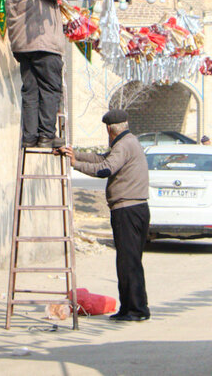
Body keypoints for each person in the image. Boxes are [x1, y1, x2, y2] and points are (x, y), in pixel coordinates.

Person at [58, 110, 151, 321]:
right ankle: (131, 308)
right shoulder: (128, 142)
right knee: (130, 261)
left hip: (128, 211)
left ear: (109, 129)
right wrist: (75, 154)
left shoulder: (124, 145)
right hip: (133, 210)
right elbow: (102, 158)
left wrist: (75, 165)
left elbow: (105, 169)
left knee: (128, 262)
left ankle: (136, 310)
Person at [3, 0, 72, 147]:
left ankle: (30, 136)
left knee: (31, 90)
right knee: (50, 89)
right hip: (41, 41)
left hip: (22, 43)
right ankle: (46, 136)